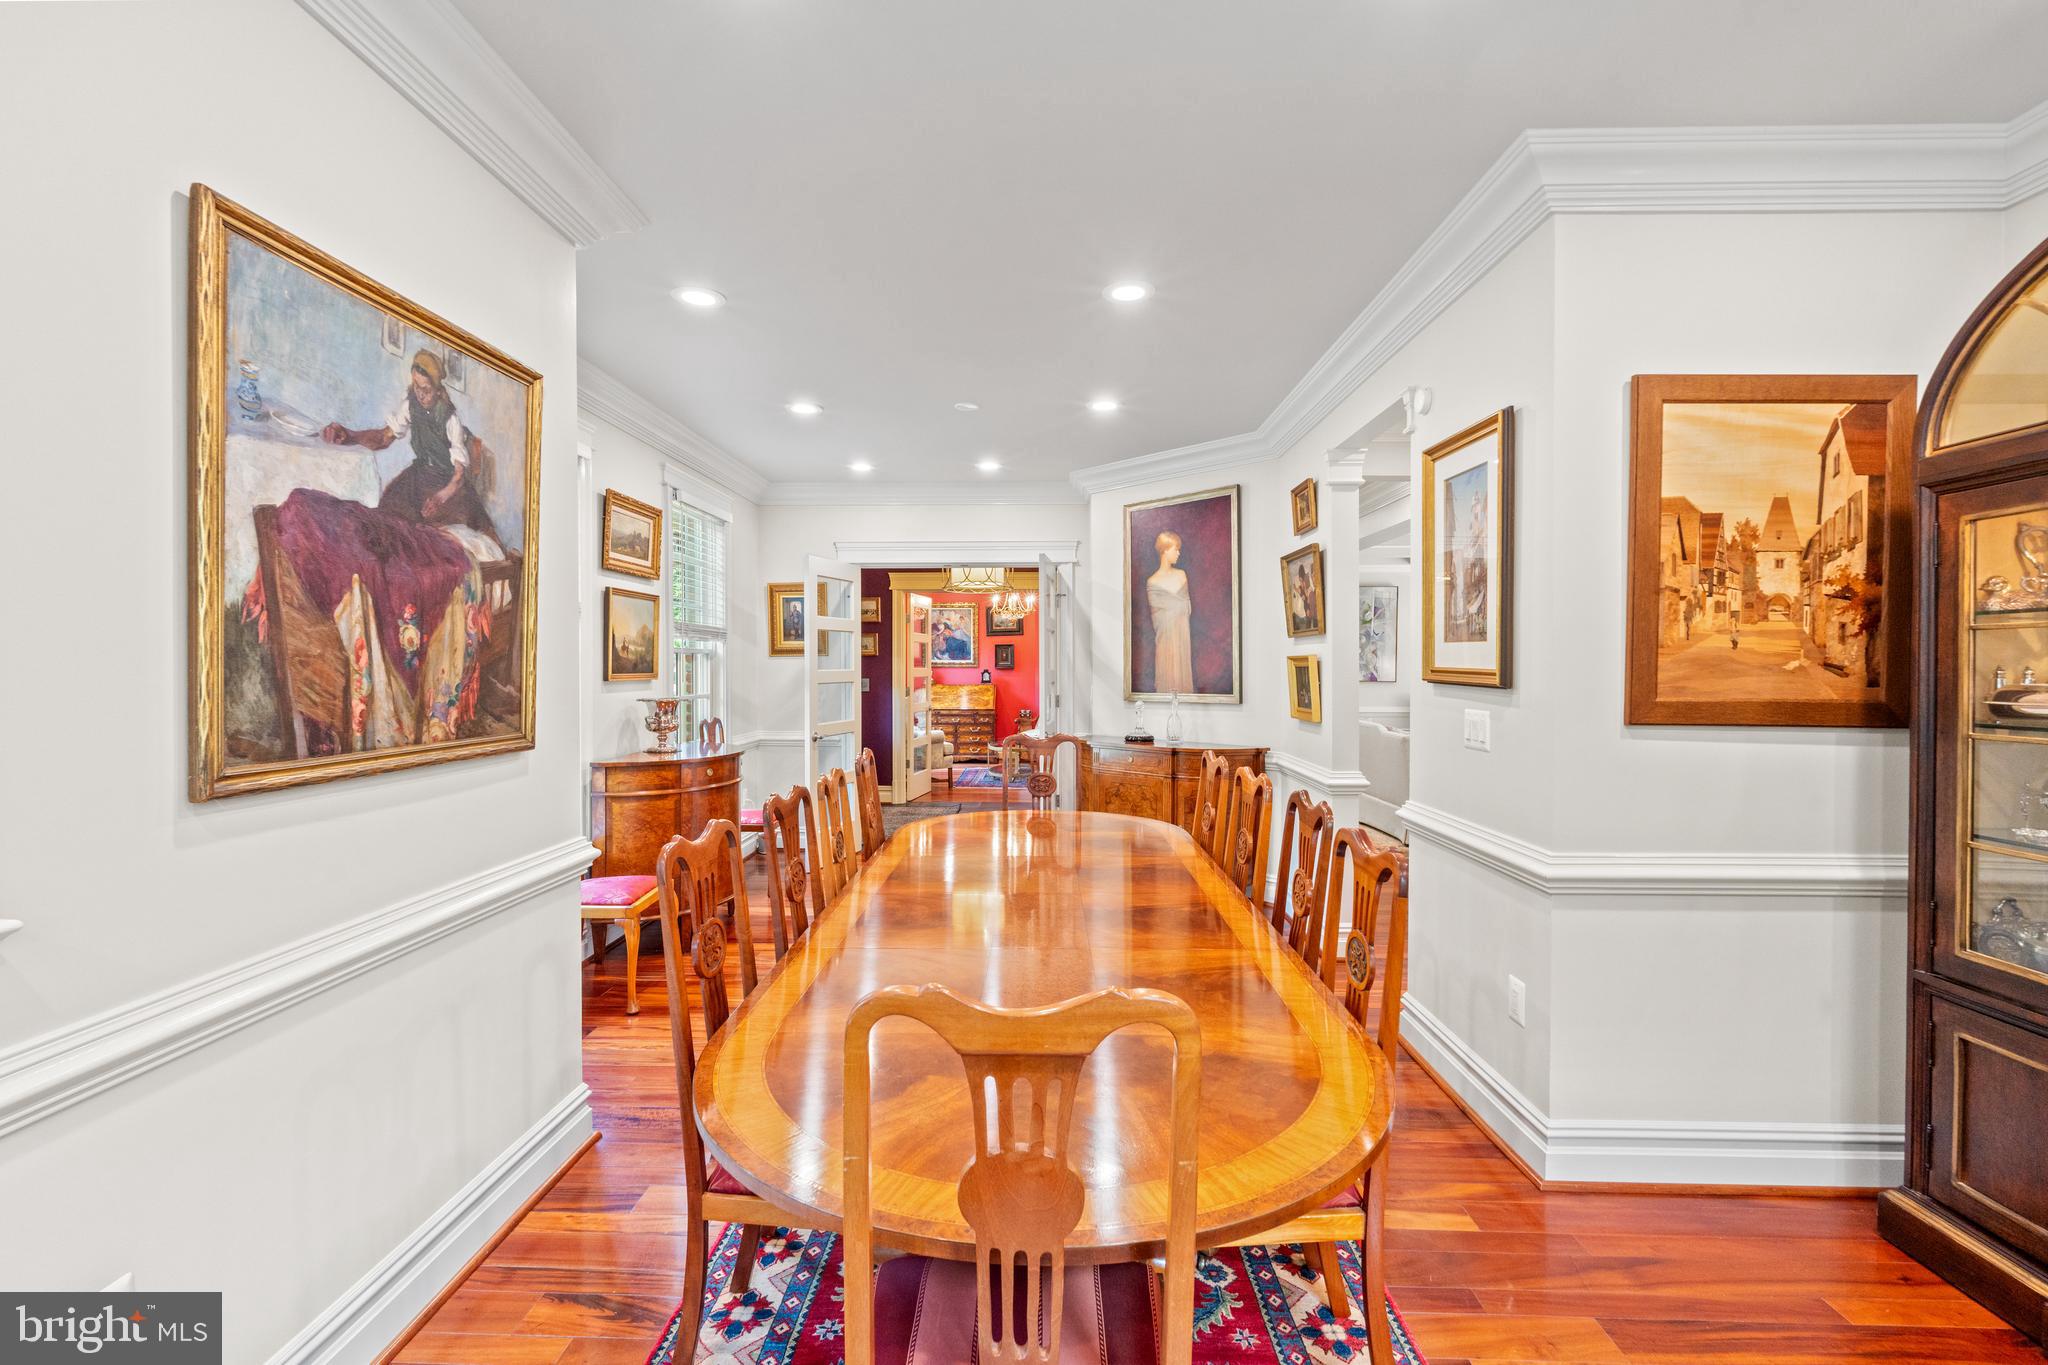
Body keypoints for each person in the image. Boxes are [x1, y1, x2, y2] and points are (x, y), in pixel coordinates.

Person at [322, 349, 496, 538]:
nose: (420, 395)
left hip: (446, 485)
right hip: (419, 477)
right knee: (389, 515)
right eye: (416, 386)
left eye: (426, 390)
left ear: (438, 390)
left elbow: (459, 477)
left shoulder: (450, 419)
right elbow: (383, 438)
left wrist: (440, 497)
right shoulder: (410, 406)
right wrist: (349, 436)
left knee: (433, 534)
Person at [1147, 530, 1194, 694]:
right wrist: (1175, 608)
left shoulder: (1182, 575)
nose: (1179, 553)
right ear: (1165, 550)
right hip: (1165, 641)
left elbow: (1186, 608)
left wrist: (1175, 608)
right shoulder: (1152, 582)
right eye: (1176, 549)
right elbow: (1158, 619)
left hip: (1182, 638)